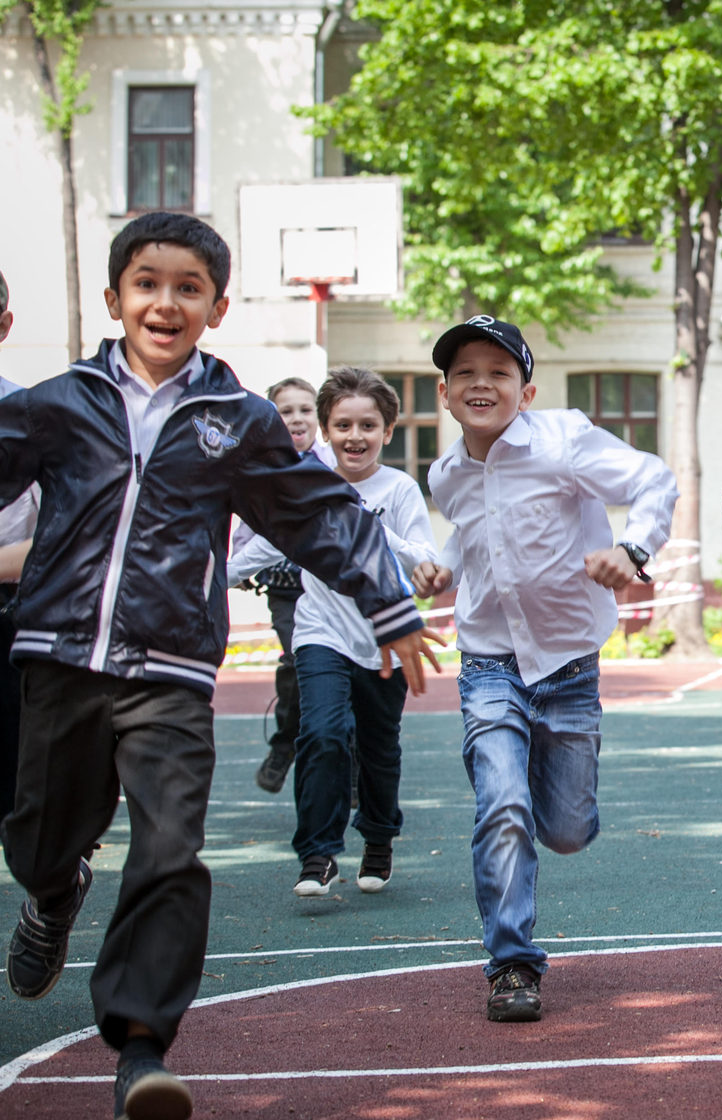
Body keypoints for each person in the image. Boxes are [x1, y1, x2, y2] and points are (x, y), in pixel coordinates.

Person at [0, 211, 439, 1120]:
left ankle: (142, 1048)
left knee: (170, 848)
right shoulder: (59, 401)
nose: (167, 302)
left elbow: (320, 513)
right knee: (39, 833)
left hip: (169, 671)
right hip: (59, 658)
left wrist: (388, 602)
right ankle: (53, 891)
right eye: (148, 284)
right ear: (117, 298)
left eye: (188, 288)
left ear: (217, 307)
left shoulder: (235, 422)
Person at [423, 314, 676, 1023]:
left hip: (567, 667)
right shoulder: (446, 474)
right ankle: (511, 965)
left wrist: (632, 550)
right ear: (444, 393)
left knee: (563, 828)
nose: (481, 384)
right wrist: (437, 569)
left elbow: (653, 478)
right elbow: (470, 544)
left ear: (526, 392)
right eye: (465, 373)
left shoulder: (562, 440)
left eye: (498, 373)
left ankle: (551, 797)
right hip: (489, 665)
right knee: (501, 806)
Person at [229, 368, 441, 898]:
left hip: (385, 639)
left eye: (368, 425)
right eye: (343, 425)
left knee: (377, 749)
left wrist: (370, 525)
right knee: (321, 734)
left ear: (387, 432)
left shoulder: (400, 489)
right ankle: (318, 854)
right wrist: (205, 579)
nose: (355, 436)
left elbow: (427, 561)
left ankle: (378, 838)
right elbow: (264, 545)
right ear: (325, 431)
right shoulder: (308, 487)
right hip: (320, 632)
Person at [228, 376, 331, 794]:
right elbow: (245, 529)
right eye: (285, 412)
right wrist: (236, 570)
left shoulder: (333, 464)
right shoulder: (261, 471)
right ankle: (284, 744)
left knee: (347, 669)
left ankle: (354, 762)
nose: (296, 419)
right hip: (287, 590)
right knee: (300, 663)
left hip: (331, 588)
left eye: (305, 410)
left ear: (319, 418)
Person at [0, 268, 36, 822]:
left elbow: (63, 537)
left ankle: (54, 884)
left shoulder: (33, 417)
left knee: (13, 780)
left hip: (9, 614)